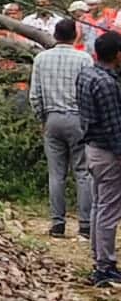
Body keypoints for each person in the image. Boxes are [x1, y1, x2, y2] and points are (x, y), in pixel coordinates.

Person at [31, 18, 94, 239]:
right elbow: (89, 91)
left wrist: (43, 119)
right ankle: (85, 226)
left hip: (52, 118)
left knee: (56, 174)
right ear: (75, 35)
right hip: (78, 118)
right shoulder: (84, 58)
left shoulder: (41, 59)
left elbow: (35, 95)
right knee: (83, 173)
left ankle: (57, 224)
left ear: (55, 36)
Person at [77, 32, 121, 288]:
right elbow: (115, 126)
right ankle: (105, 266)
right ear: (116, 55)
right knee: (108, 209)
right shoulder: (107, 84)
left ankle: (98, 257)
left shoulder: (87, 74)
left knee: (98, 205)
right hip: (107, 152)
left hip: (91, 149)